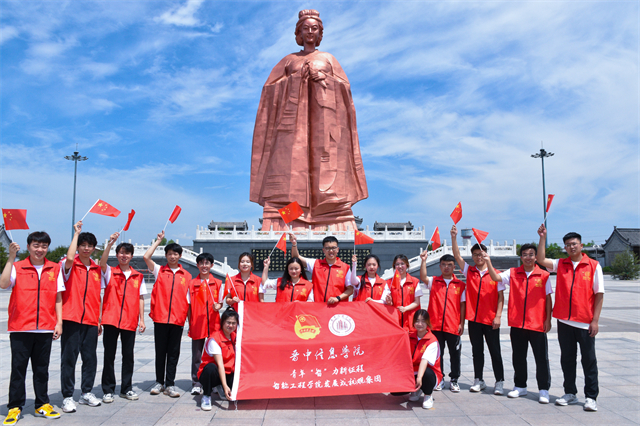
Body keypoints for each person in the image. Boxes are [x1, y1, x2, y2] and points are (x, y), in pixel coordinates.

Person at [249, 9, 368, 232]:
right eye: (306, 28)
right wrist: (295, 78)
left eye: (315, 28)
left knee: (326, 165)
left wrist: (324, 79)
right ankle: (290, 216)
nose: (310, 32)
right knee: (291, 167)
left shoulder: (329, 59)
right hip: (293, 126)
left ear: (320, 32)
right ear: (299, 32)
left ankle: (331, 213)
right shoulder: (289, 60)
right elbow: (269, 91)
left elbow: (346, 91)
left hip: (325, 121)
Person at [537, 225, 604, 412]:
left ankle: (591, 397)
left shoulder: (593, 266)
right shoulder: (561, 264)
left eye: (574, 244)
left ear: (581, 245)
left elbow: (599, 294)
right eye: (567, 245)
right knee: (567, 359)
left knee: (589, 360)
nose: (571, 247)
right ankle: (570, 393)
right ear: (565, 248)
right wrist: (542, 237)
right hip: (564, 321)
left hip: (584, 322)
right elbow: (541, 259)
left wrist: (595, 320)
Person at [0, 232, 64, 424]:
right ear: (28, 247)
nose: (40, 250)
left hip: (45, 327)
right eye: (36, 245)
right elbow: (3, 284)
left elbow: (58, 297)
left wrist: (59, 322)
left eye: (44, 246)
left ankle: (42, 404)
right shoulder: (18, 267)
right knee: (18, 369)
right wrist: (11, 258)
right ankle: (14, 406)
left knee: (41, 369)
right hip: (21, 327)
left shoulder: (54, 268)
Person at [484, 244, 553, 404]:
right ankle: (520, 386)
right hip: (517, 323)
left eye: (531, 254)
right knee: (519, 357)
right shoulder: (513, 272)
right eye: (525, 254)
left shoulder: (543, 275)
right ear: (520, 257)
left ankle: (543, 389)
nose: (528, 257)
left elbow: (548, 298)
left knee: (541, 358)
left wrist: (548, 319)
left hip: (537, 324)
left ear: (536, 257)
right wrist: (488, 262)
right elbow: (496, 278)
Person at [450, 225, 505, 395]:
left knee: (495, 351)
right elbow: (457, 256)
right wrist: (454, 237)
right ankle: (478, 379)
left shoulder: (496, 274)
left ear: (486, 255)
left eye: (481, 254)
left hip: (490, 320)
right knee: (476, 351)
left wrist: (498, 316)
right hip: (473, 318)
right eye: (475, 255)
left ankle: (499, 381)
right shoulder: (469, 271)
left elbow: (501, 297)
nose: (478, 257)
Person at [60, 221, 104, 412]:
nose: (86, 249)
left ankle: (86, 392)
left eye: (89, 246)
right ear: (78, 247)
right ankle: (68, 396)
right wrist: (76, 234)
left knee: (90, 358)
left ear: (94, 248)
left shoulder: (96, 269)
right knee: (69, 358)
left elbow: (98, 296)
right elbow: (70, 258)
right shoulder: (69, 264)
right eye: (83, 245)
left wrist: (99, 319)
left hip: (91, 320)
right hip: (71, 318)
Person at [144, 231, 192, 398]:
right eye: (170, 254)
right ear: (166, 255)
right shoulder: (159, 270)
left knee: (173, 353)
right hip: (160, 318)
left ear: (180, 256)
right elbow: (146, 257)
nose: (173, 256)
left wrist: (189, 322)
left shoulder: (187, 276)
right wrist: (158, 241)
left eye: (176, 254)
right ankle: (159, 382)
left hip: (177, 320)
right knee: (160, 352)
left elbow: (188, 301)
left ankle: (170, 384)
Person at [99, 233, 147, 403]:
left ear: (132, 256)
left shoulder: (138, 276)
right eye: (121, 253)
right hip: (111, 319)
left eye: (127, 253)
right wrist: (110, 243)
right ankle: (108, 389)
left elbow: (141, 298)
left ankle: (126, 388)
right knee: (109, 356)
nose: (124, 256)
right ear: (117, 254)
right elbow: (101, 263)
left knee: (128, 356)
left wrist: (141, 320)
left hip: (129, 320)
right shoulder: (110, 272)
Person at [419, 253, 465, 392]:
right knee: (438, 354)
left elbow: (462, 305)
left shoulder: (460, 284)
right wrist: (423, 261)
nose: (446, 267)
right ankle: (439, 379)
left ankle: (454, 379)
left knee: (455, 354)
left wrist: (461, 323)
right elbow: (423, 277)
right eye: (444, 265)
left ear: (454, 267)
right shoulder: (434, 281)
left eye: (449, 265)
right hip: (435, 325)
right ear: (440, 266)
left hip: (452, 325)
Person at [187, 253, 223, 396]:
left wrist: (218, 307)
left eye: (207, 263)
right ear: (197, 265)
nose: (204, 266)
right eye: (201, 263)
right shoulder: (192, 283)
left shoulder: (218, 283)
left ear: (212, 265)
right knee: (197, 355)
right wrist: (191, 323)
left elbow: (220, 302)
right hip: (197, 323)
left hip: (214, 324)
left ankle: (213, 382)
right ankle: (196, 382)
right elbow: (189, 305)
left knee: (214, 355)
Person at [290, 235, 355, 303]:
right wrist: (294, 244)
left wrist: (337, 298)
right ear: (323, 250)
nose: (331, 251)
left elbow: (350, 289)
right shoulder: (315, 264)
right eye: (327, 248)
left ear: (337, 249)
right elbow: (296, 257)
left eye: (333, 248)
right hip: (318, 307)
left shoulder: (345, 267)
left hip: (337, 308)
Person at [198, 309, 239, 411]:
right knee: (210, 368)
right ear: (222, 322)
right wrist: (225, 386)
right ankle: (206, 396)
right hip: (212, 373)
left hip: (228, 371)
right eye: (228, 322)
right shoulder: (214, 339)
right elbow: (220, 364)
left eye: (234, 323)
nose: (231, 325)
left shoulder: (235, 336)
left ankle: (220, 386)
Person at [409, 310, 443, 410]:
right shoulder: (409, 337)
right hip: (413, 371)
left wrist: (419, 377)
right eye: (417, 321)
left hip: (430, 374)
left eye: (423, 321)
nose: (420, 324)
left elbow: (424, 360)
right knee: (396, 392)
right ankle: (417, 389)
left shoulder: (432, 340)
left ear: (428, 322)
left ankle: (428, 395)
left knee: (426, 373)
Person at [385, 254, 421, 331]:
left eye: (402, 264)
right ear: (394, 266)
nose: (400, 266)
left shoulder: (414, 281)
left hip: (410, 319)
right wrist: (389, 302)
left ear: (407, 265)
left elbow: (417, 302)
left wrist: (405, 308)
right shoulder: (389, 283)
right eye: (397, 264)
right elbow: (388, 303)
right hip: (395, 319)